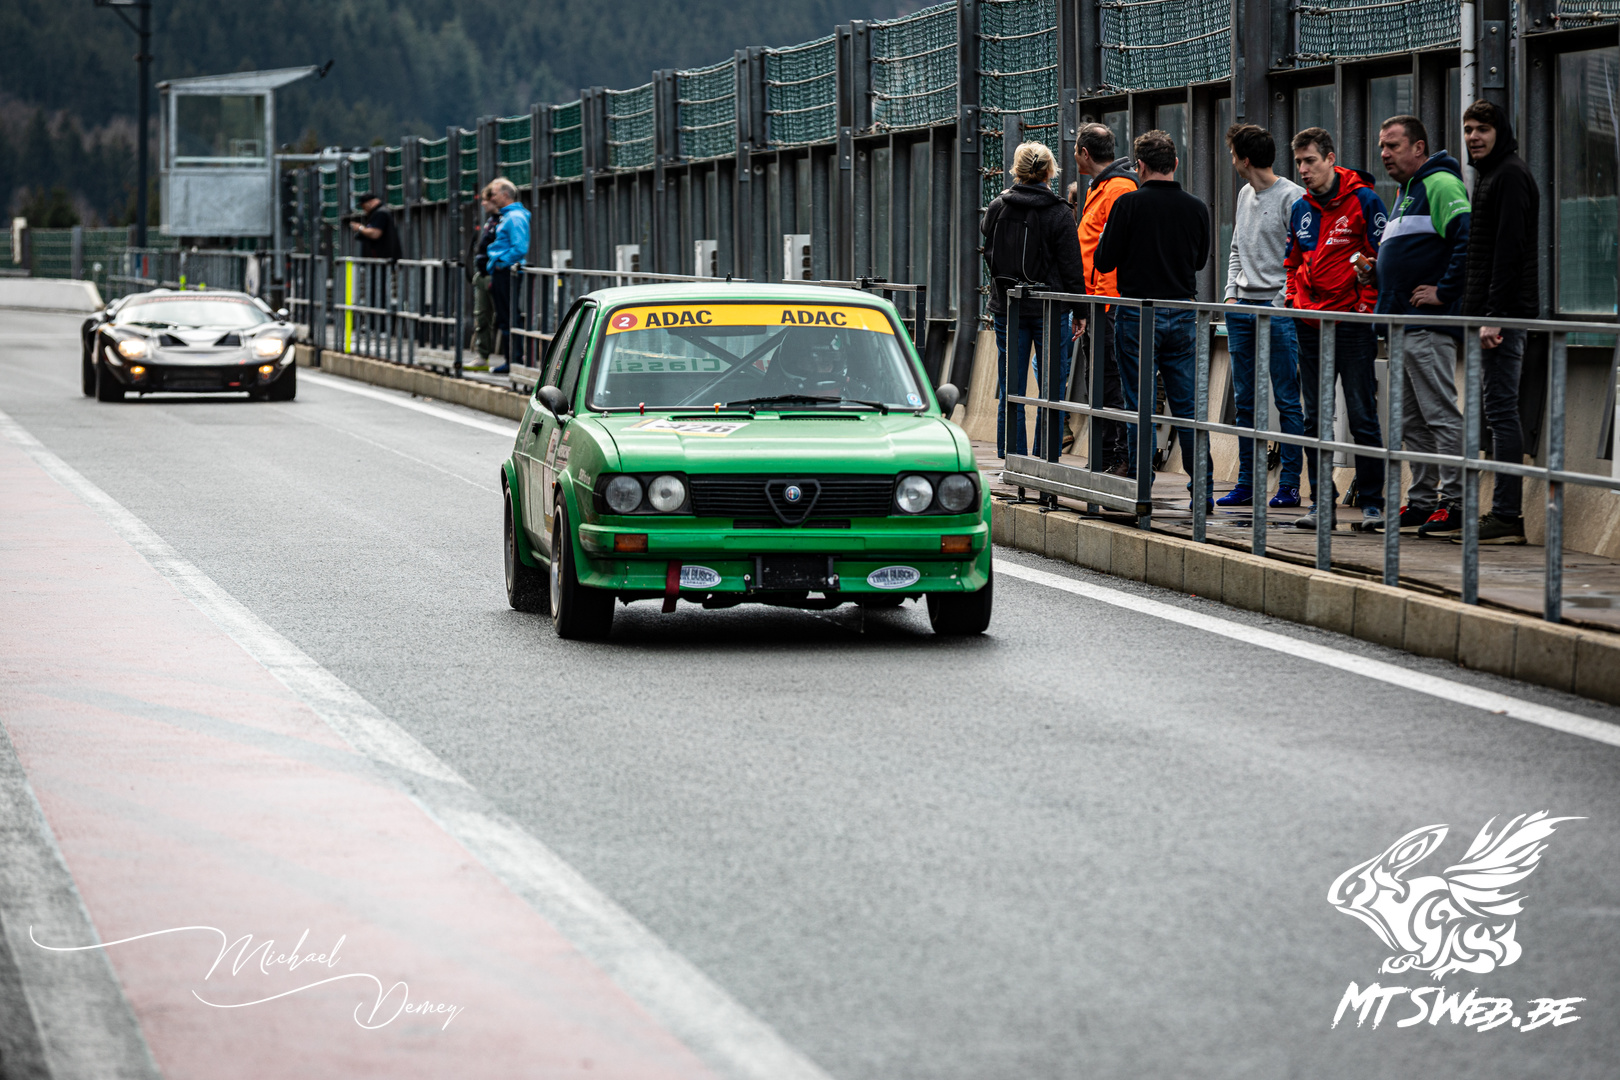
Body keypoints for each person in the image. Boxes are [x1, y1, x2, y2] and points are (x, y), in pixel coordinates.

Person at [1363, 115, 1471, 539]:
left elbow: (1467, 239)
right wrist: (1376, 272)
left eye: (1392, 145)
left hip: (1427, 325)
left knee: (1439, 414)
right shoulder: (1406, 192)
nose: (1384, 154)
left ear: (1419, 148)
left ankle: (1456, 501)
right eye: (1382, 146)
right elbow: (1411, 253)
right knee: (1412, 421)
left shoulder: (1439, 184)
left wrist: (1444, 292)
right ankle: (1424, 499)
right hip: (1403, 325)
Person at [1093, 129, 1210, 504]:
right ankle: (1203, 488)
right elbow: (1199, 261)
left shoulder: (1127, 205)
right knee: (1188, 407)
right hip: (1183, 311)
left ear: (1140, 166)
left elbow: (1103, 261)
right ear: (1174, 163)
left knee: (1138, 403)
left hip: (1137, 312)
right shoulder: (1197, 207)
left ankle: (1140, 486)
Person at [1283, 127, 1388, 531]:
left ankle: (1372, 503)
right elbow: (1292, 261)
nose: (1304, 170)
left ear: (1330, 158)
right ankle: (1320, 503)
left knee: (1362, 414)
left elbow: (1380, 260)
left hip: (1351, 325)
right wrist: (1293, 301)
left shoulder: (1365, 200)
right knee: (1314, 419)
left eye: (1310, 161)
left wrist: (1364, 308)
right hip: (1310, 325)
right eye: (1299, 163)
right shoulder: (1301, 207)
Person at [1461, 99, 1539, 545]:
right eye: (1469, 129)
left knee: (1501, 412)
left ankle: (1508, 515)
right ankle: (1504, 513)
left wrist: (1494, 317)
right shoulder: (1492, 174)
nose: (1474, 137)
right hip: (1492, 315)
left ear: (1500, 132)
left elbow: (1509, 250)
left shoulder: (1509, 174)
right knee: (1496, 411)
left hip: (1502, 318)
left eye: (1483, 130)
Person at [980, 141, 1086, 459]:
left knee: (1010, 384)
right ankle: (1046, 456)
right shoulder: (1059, 212)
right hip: (1050, 309)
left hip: (1008, 305)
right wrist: (1080, 311)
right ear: (1050, 171)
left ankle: (1012, 455)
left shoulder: (999, 206)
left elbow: (987, 239)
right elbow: (1071, 266)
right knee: (1051, 388)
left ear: (1017, 169)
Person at [1221, 123, 1307, 509]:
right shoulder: (1244, 194)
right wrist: (1231, 295)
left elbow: (1301, 258)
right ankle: (1248, 482)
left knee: (1287, 398)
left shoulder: (1293, 196)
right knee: (1246, 401)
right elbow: (1236, 248)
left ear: (1245, 160)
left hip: (1278, 312)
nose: (1231, 161)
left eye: (1232, 155)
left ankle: (1289, 484)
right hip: (1241, 309)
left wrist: (1281, 302)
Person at [1072, 122, 1136, 476]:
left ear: (1085, 153)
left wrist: (1101, 302)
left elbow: (1112, 251)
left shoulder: (1118, 188)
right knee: (1100, 378)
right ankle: (1105, 456)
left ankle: (1116, 457)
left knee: (1110, 379)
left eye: (1076, 150)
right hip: (1096, 302)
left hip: (1107, 304)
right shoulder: (1102, 187)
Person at [483, 177, 531, 375]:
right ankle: (512, 359)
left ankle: (514, 359)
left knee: (508, 316)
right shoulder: (509, 216)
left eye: (494, 194)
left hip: (507, 272)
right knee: (506, 316)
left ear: (505, 194)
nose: (491, 198)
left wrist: (502, 263)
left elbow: (520, 247)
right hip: (503, 271)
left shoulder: (514, 217)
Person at [464, 188, 500, 371]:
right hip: (484, 273)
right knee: (482, 316)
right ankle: (482, 356)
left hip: (495, 273)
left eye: (486, 199)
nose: (483, 203)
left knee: (503, 316)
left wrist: (496, 266)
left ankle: (513, 360)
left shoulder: (505, 219)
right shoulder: (491, 220)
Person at [350, 192, 402, 262]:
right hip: (383, 261)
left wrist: (360, 228)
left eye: (364, 206)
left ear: (370, 202)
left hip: (384, 261)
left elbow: (375, 234)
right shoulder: (379, 212)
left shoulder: (381, 213)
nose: (364, 210)